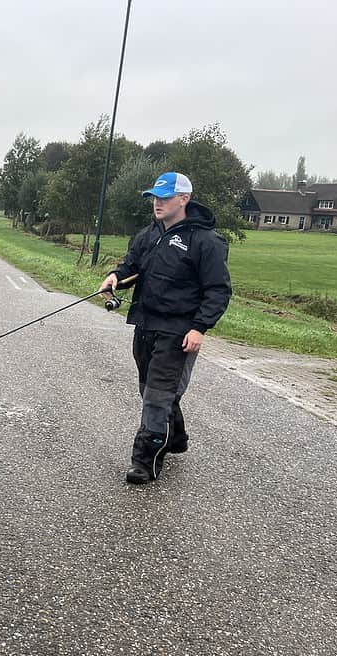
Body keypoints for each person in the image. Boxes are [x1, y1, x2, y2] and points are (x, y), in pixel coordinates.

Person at [99, 172, 232, 484]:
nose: (157, 203)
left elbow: (218, 290)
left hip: (178, 331)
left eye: (165, 197)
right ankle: (175, 437)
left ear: (183, 199)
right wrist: (114, 276)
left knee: (157, 397)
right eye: (155, 197)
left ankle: (144, 461)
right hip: (145, 324)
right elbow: (131, 265)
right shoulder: (149, 234)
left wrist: (199, 328)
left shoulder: (205, 241)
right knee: (150, 390)